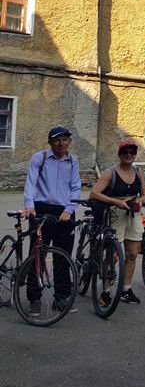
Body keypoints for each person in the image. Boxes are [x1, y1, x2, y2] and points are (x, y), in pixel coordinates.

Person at [22, 126, 82, 316]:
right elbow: (30, 183)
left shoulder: (73, 161)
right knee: (37, 254)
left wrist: (69, 209)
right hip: (42, 209)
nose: (61, 143)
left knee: (63, 256)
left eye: (65, 139)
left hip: (65, 211)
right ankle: (35, 299)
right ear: (50, 142)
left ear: (69, 142)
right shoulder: (39, 158)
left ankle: (61, 297)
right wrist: (29, 206)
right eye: (57, 139)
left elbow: (76, 187)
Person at [89, 139, 145, 305]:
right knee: (113, 254)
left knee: (132, 253)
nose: (129, 155)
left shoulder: (138, 172)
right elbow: (94, 193)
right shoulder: (111, 173)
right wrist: (114, 201)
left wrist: (140, 200)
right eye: (125, 152)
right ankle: (106, 290)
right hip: (115, 212)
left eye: (132, 152)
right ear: (120, 155)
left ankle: (126, 289)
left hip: (133, 212)